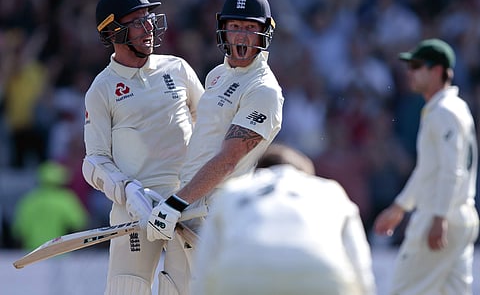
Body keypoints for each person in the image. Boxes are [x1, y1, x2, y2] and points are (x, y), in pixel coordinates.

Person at [145, 0, 284, 294]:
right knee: (171, 289)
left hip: (218, 213)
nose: (242, 37)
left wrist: (177, 200)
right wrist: (171, 195)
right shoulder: (217, 75)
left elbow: (229, 159)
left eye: (251, 28)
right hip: (189, 207)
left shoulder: (263, 90)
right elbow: (201, 142)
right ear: (223, 29)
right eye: (236, 27)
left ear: (265, 32)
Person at [81, 0, 204, 295]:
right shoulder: (102, 89)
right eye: (136, 21)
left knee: (183, 289)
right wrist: (128, 191)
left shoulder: (177, 68)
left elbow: (209, 132)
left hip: (185, 203)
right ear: (112, 31)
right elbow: (93, 161)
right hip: (134, 211)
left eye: (148, 18)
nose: (148, 27)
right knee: (127, 290)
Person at [190, 143, 377, 295]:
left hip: (243, 273)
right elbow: (358, 259)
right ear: (305, 174)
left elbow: (205, 260)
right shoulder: (328, 189)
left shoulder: (234, 189)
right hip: (317, 272)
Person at [374, 38, 479, 295]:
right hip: (460, 216)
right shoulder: (453, 107)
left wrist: (440, 216)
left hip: (440, 215)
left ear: (438, 71)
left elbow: (451, 169)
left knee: (404, 290)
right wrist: (400, 206)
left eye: (417, 66)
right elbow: (428, 170)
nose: (410, 73)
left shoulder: (443, 111)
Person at [12, 161, 88, 250]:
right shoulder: (65, 199)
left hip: (32, 255)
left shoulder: (29, 201)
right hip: (58, 254)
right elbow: (80, 224)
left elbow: (18, 232)